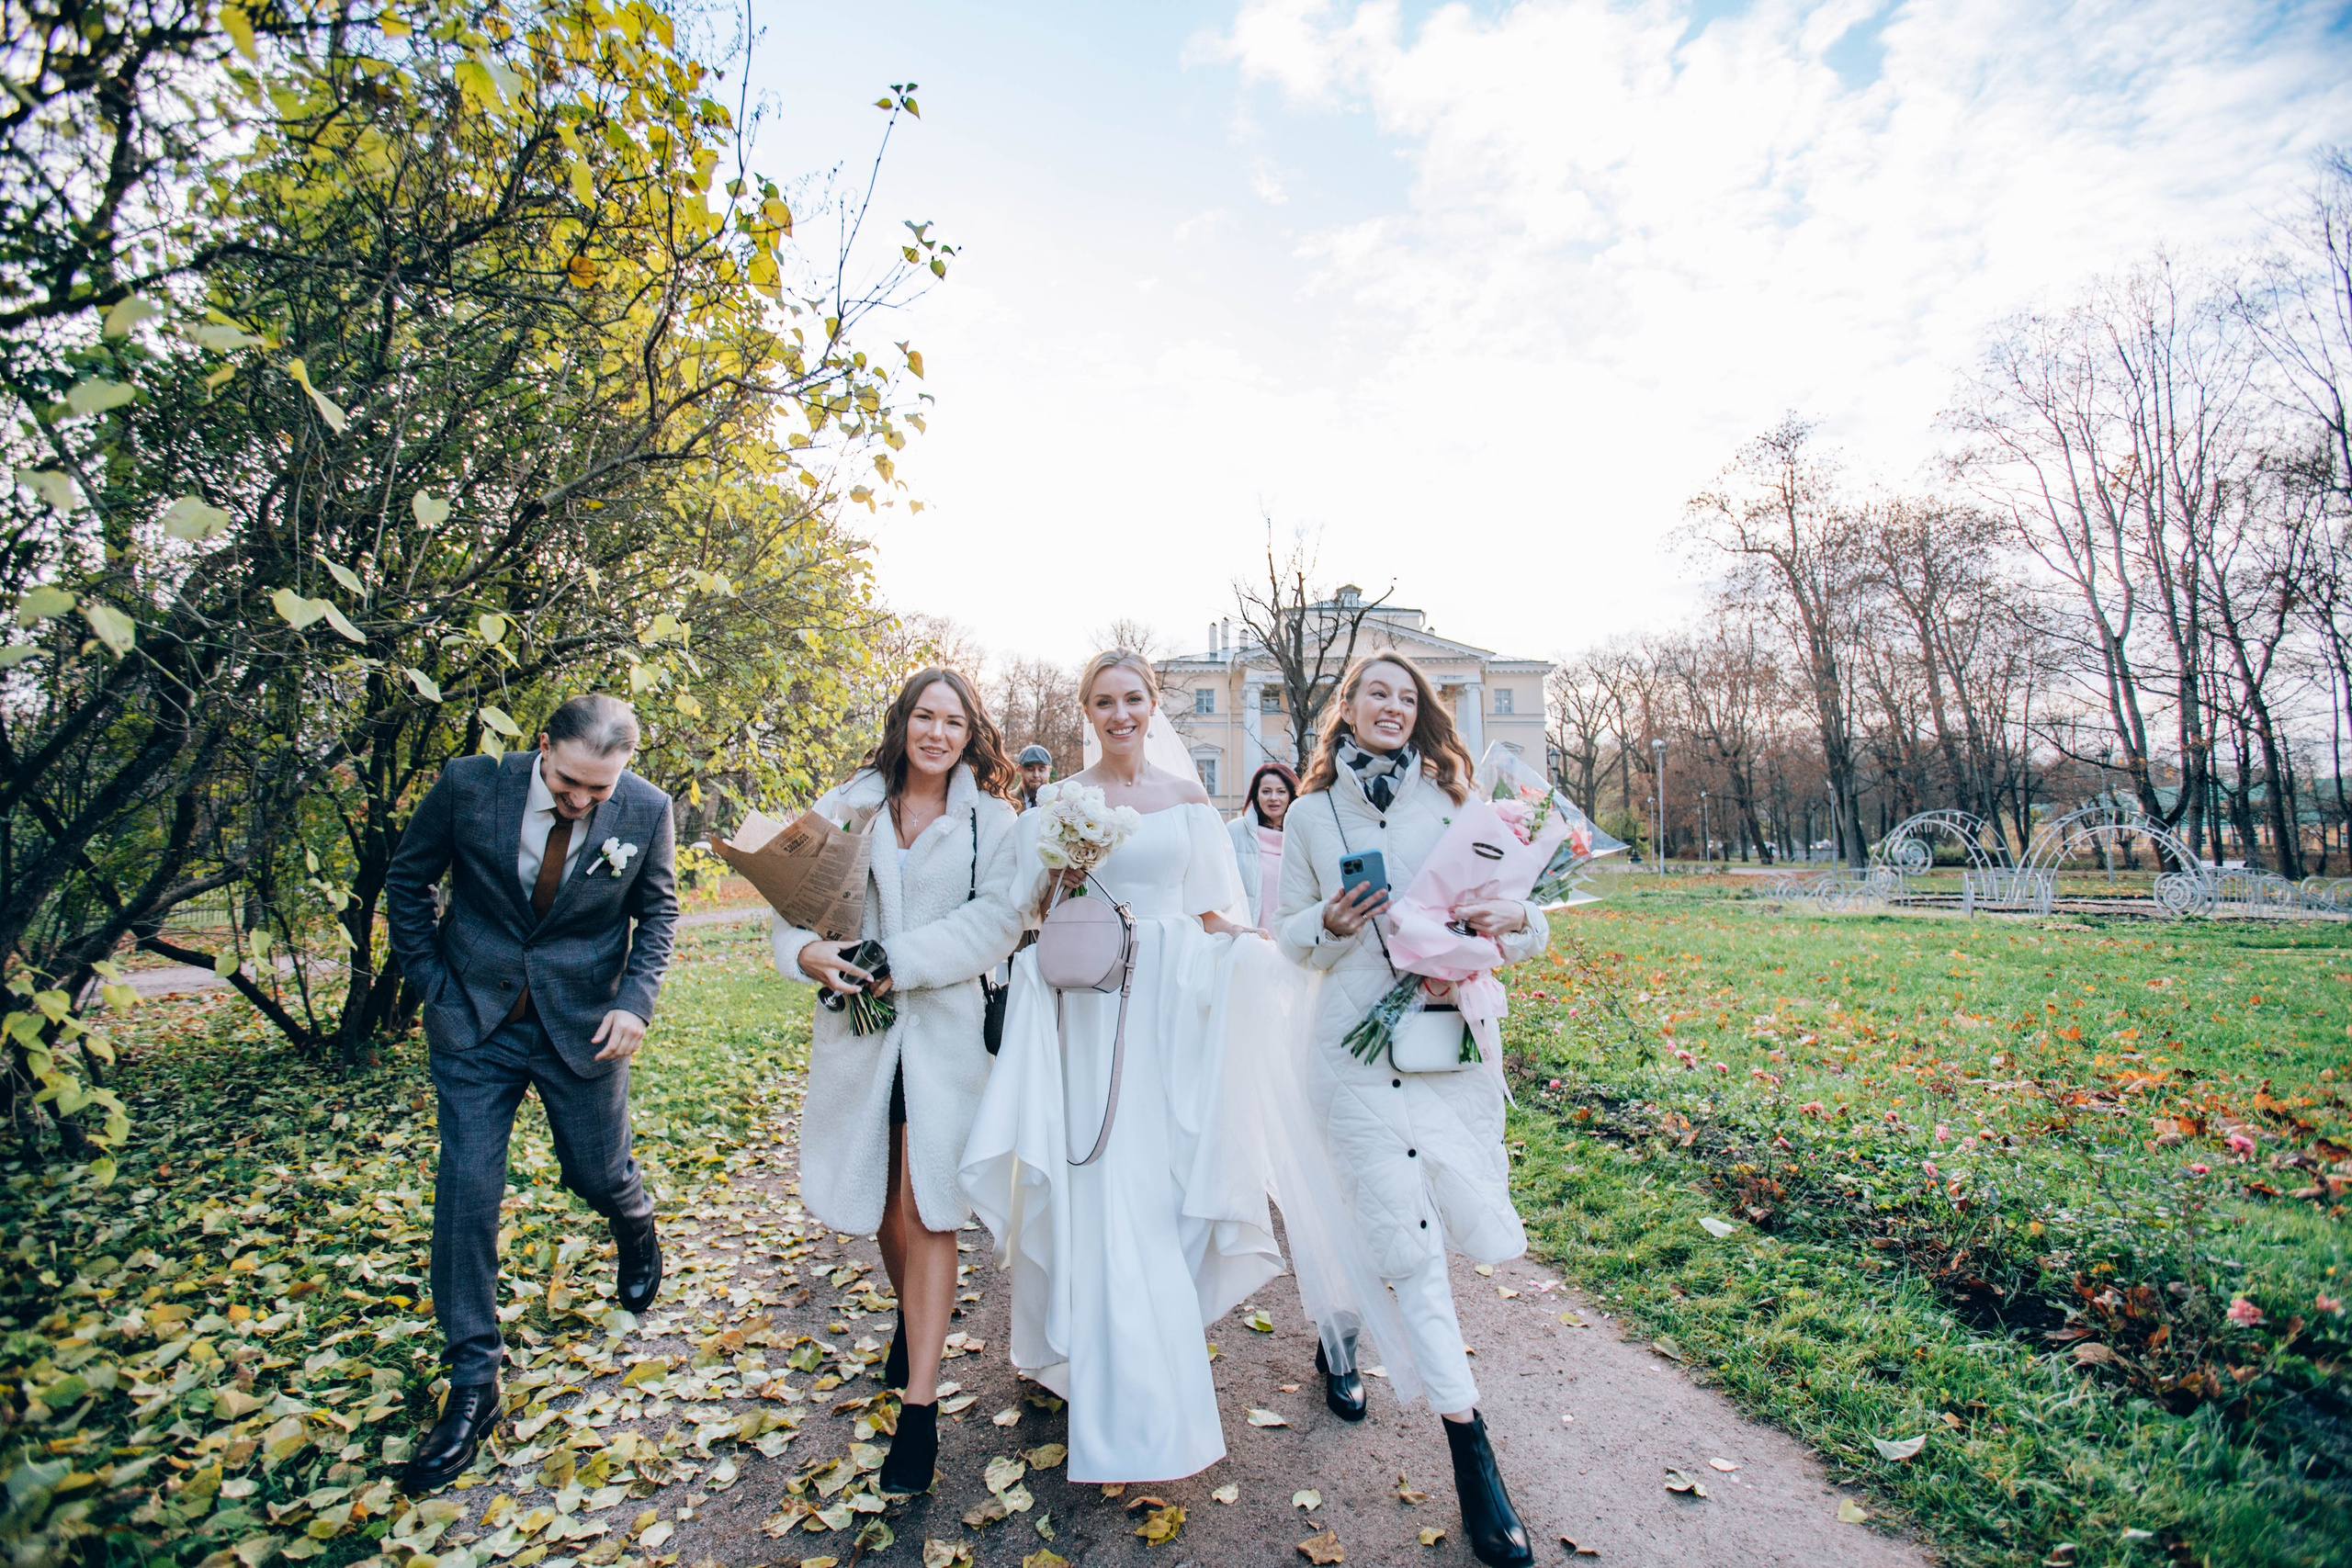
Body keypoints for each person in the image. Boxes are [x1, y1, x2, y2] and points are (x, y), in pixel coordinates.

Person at [959, 650, 1296, 1483]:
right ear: (1087, 710)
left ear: (1153, 705)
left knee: (1161, 1190)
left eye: (1133, 698)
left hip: (1170, 1019)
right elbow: (1029, 913)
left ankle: (1136, 1365)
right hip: (1089, 1019)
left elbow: (1216, 915)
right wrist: (1064, 876)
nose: (1119, 713)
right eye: (1103, 701)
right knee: (1104, 1188)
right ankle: (1119, 1396)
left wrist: (1269, 955)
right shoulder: (1060, 803)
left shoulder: (1188, 803)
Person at [1272, 653, 1547, 1568]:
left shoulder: (1456, 801)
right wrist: (1329, 926)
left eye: (1405, 695)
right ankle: (1474, 1458)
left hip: (1448, 1049)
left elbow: (1520, 909)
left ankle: (1336, 1332)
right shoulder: (1312, 815)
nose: (1390, 706)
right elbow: (1289, 937)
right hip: (1349, 1058)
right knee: (1409, 1245)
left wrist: (1520, 922)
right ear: (1344, 711)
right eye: (1373, 694)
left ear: (1421, 712)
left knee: (1437, 1225)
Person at [384, 694, 679, 1494]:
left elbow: (658, 911)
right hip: (473, 1022)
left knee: (595, 1171)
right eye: (572, 783)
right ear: (543, 747)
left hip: (584, 1024)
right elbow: (407, 883)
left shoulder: (647, 810)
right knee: (468, 1190)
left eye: (600, 790)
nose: (584, 802)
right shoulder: (468, 785)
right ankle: (473, 1381)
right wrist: (432, 986)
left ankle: (634, 1219)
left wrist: (635, 1001)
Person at [771, 668, 1024, 1495]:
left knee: (928, 1204)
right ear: (903, 721)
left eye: (954, 720)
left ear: (970, 734)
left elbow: (998, 921)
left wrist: (901, 965)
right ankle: (914, 1320)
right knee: (885, 1204)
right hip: (860, 1035)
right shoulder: (850, 803)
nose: (937, 732)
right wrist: (808, 954)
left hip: (947, 1039)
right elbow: (792, 904)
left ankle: (920, 1409)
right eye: (925, 715)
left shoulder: (994, 821)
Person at [1227, 760, 1297, 931]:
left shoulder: (1303, 836)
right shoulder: (1236, 831)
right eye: (1266, 791)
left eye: (1281, 792)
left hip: (1293, 941)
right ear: (1256, 796)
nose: (1274, 798)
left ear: (1291, 795)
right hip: (1250, 939)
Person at [1016, 744, 1053, 809]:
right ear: (1020, 770)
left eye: (1041, 770)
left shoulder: (1061, 802)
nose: (1036, 775)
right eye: (1030, 769)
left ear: (1049, 771)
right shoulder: (1007, 802)